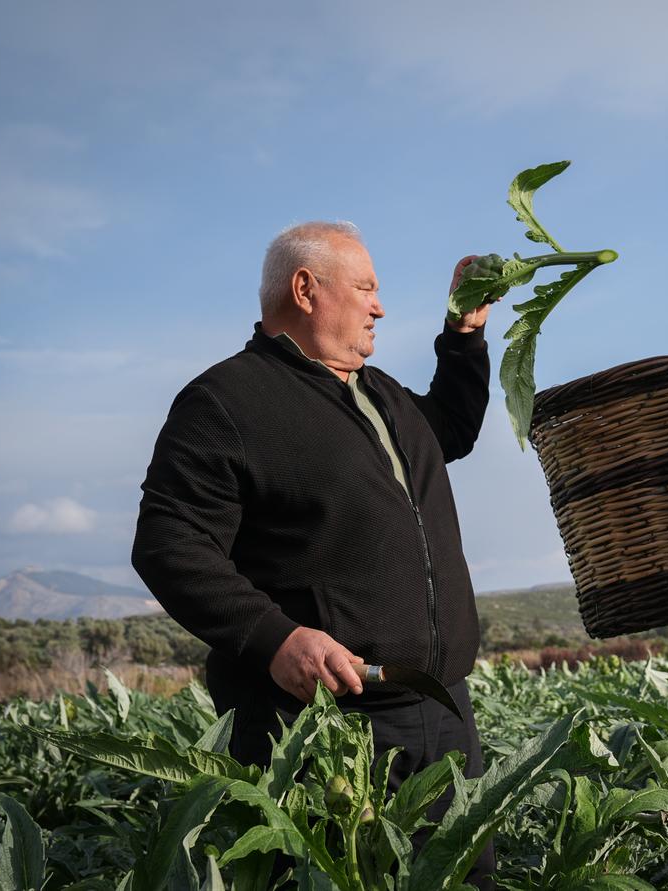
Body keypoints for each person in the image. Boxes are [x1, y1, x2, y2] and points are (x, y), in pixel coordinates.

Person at [132, 221, 497, 885]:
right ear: (305, 289)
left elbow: (452, 426)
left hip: (444, 714)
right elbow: (168, 541)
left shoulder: (378, 393)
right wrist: (273, 636)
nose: (379, 306)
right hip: (326, 732)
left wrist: (463, 335)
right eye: (365, 288)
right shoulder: (225, 401)